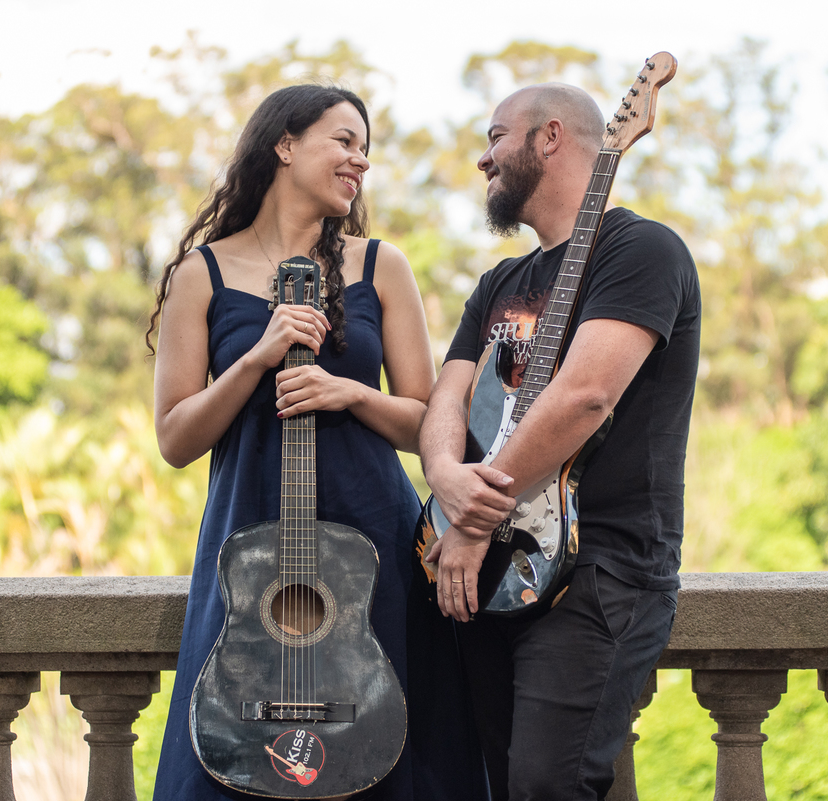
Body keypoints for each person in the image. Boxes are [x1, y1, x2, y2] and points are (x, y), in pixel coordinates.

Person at [147, 84, 486, 801]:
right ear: (285, 144)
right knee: (232, 755)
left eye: (366, 149)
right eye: (344, 140)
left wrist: (350, 393)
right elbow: (175, 437)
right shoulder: (201, 274)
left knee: (394, 757)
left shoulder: (382, 266)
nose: (360, 160)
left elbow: (430, 425)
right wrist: (256, 358)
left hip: (377, 551)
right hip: (249, 557)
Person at [419, 82, 701, 801]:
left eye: (495, 137)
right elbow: (446, 397)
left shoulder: (642, 250)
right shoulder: (500, 283)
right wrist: (446, 476)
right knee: (495, 783)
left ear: (550, 137)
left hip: (600, 569)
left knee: (550, 784)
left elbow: (586, 396)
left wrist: (471, 518)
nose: (483, 159)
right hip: (484, 568)